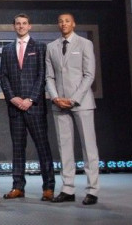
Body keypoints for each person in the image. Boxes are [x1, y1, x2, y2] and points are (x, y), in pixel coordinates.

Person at [0, 13, 55, 201]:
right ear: (14, 26)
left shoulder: (40, 47)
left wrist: (30, 99)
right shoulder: (7, 49)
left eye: (24, 23)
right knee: (17, 148)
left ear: (30, 26)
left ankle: (48, 187)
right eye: (18, 23)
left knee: (42, 147)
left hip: (34, 107)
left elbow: (42, 75)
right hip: (15, 107)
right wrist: (13, 98)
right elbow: (3, 76)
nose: (21, 26)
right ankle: (18, 187)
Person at [45, 12, 100, 206]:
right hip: (59, 104)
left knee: (88, 146)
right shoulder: (51, 47)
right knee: (64, 148)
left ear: (74, 24)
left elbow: (89, 75)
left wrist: (74, 99)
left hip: (82, 103)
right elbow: (49, 77)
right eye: (60, 21)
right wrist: (55, 97)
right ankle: (68, 188)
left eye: (67, 21)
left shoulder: (85, 44)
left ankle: (92, 190)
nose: (63, 24)